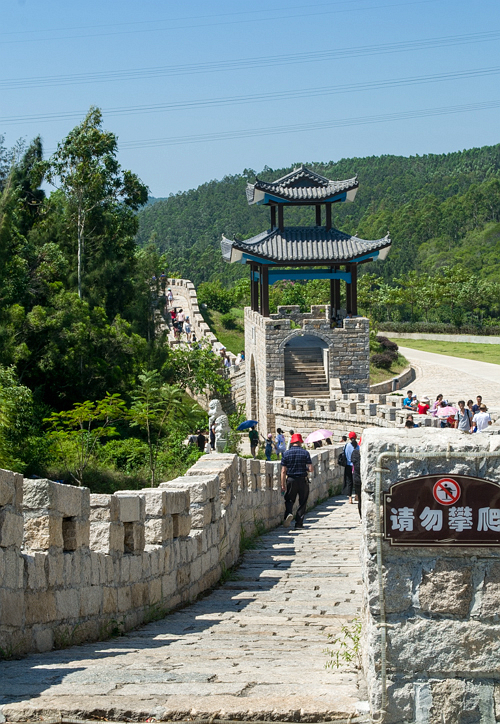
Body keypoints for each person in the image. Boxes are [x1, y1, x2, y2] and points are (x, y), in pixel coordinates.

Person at [281, 433, 313, 529]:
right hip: (302, 480)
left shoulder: (286, 454)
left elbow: (283, 471)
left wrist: (283, 484)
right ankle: (299, 523)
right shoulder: (305, 453)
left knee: (289, 499)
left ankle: (289, 514)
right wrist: (306, 469)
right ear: (299, 442)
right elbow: (311, 468)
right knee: (302, 501)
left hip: (290, 480)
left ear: (292, 442)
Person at [342, 432, 357, 504]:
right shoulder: (358, 446)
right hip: (356, 466)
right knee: (357, 481)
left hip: (348, 465)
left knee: (349, 481)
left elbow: (344, 454)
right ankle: (357, 495)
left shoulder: (346, 446)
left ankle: (350, 498)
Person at [350, 438, 362, 518]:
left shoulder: (355, 453)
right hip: (362, 479)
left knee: (360, 499)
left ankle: (361, 516)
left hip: (357, 478)